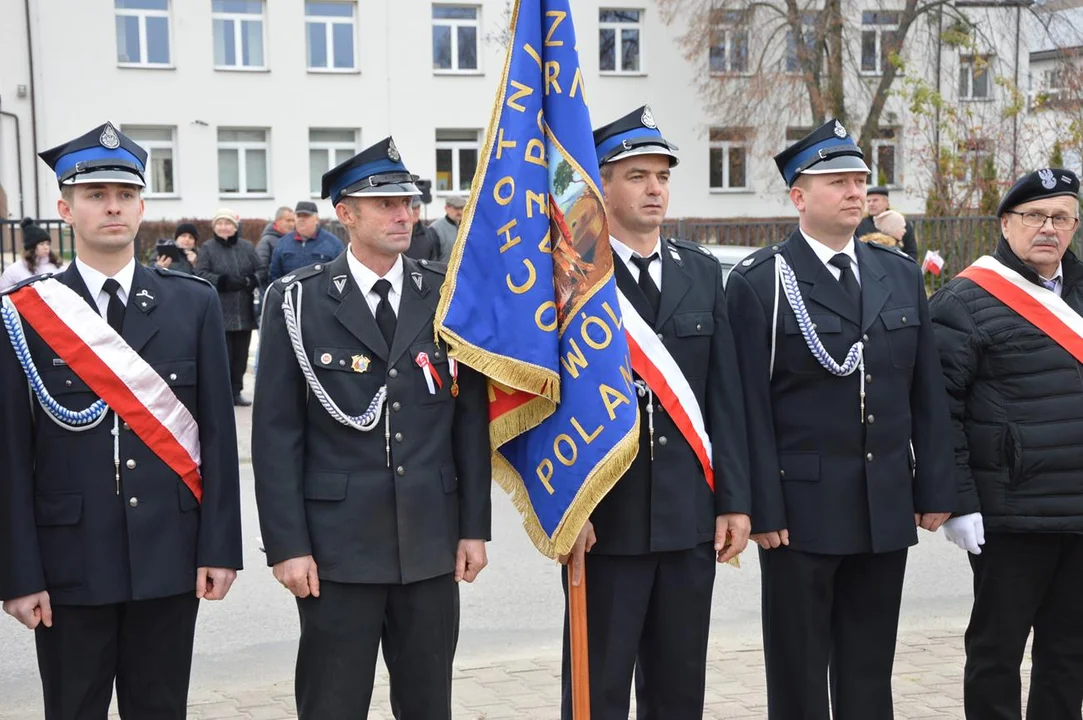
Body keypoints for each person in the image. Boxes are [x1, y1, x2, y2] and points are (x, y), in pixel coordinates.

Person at [0, 122, 242, 719]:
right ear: (65, 207)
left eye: (126, 194)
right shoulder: (25, 313)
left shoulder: (193, 302)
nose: (113, 206)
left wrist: (220, 548)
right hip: (68, 564)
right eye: (95, 195)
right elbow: (9, 453)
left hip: (170, 556)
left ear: (141, 206)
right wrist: (18, 574)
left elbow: (217, 434)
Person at [252, 137, 491, 719]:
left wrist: (473, 529)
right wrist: (288, 547)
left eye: (408, 202)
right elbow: (276, 437)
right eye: (384, 204)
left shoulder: (446, 295)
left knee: (429, 702)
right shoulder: (297, 303)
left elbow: (468, 423)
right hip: (338, 552)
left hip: (430, 544)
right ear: (345, 213)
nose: (403, 214)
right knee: (333, 703)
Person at [725, 119, 955, 720]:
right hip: (800, 511)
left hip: (883, 504)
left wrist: (933, 485)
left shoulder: (898, 273)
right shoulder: (760, 282)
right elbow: (746, 405)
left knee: (869, 669)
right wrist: (762, 506)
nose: (855, 192)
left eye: (859, 180)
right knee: (799, 672)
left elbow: (924, 392)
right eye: (837, 182)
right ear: (799, 197)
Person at [557, 105, 751, 720]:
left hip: (687, 521)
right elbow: (549, 403)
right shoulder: (572, 278)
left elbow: (726, 397)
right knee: (599, 691)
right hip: (605, 520)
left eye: (662, 176)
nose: (654, 189)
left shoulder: (700, 271)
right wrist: (567, 508)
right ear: (602, 185)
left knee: (678, 690)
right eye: (637, 176)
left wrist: (735, 502)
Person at [929, 167, 1083, 720]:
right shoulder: (964, 300)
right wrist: (960, 500)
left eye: (1061, 217)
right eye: (1035, 216)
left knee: (1069, 653)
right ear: (1006, 223)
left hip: (1078, 510)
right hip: (1010, 513)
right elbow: (939, 412)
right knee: (997, 652)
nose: (1049, 228)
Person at [195, 208, 263, 406]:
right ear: (214, 227)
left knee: (240, 356)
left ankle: (236, 391)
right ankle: (221, 393)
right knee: (223, 355)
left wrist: (251, 280)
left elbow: (261, 269)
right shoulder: (208, 248)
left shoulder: (247, 247)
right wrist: (223, 281)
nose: (224, 227)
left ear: (235, 226)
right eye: (220, 224)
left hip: (243, 310)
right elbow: (200, 273)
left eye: (228, 223)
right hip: (220, 310)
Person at [267, 200, 342, 283]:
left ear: (316, 219)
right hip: (291, 294)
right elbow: (274, 275)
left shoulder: (333, 244)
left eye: (306, 216)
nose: (302, 219)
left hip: (321, 295)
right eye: (299, 216)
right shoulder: (283, 243)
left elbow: (340, 275)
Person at [0, 217, 63, 290]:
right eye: (42, 244)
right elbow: (3, 292)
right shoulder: (14, 270)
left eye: (48, 244)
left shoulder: (57, 267)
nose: (46, 247)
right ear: (31, 247)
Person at [856, 186, 918, 259]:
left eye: (875, 200)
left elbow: (911, 251)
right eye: (868, 201)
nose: (871, 204)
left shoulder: (900, 223)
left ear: (886, 202)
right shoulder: (859, 224)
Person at [255, 206, 296, 278]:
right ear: (277, 221)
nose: (292, 224)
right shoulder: (266, 241)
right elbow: (260, 269)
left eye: (293, 221)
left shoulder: (296, 240)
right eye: (288, 220)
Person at [428, 194, 466, 262]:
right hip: (443, 271)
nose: (460, 212)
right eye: (456, 208)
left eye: (462, 208)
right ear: (446, 208)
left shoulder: (467, 226)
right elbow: (433, 258)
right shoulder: (435, 228)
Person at [406, 194, 440, 261]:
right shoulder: (396, 234)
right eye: (412, 208)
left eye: (418, 207)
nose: (416, 212)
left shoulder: (430, 234)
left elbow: (434, 261)